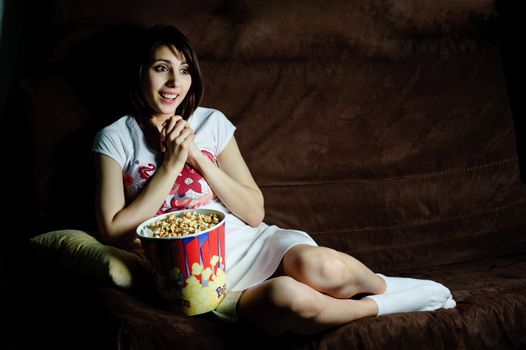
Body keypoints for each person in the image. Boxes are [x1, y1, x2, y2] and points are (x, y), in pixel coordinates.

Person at [92, 25, 456, 335]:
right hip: (197, 275)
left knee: (323, 267)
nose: (175, 82)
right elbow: (111, 231)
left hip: (248, 241)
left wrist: (199, 160)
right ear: (140, 71)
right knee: (289, 298)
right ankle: (384, 305)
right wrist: (170, 166)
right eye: (161, 68)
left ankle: (384, 285)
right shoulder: (115, 138)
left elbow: (253, 211)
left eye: (184, 70)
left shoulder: (211, 123)